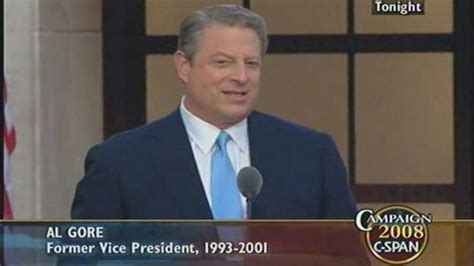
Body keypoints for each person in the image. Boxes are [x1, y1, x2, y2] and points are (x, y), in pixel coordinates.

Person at [71, 4, 356, 220]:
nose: (241, 76)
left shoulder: (311, 154)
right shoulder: (119, 161)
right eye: (223, 63)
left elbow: (347, 258)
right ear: (184, 67)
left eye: (252, 63)